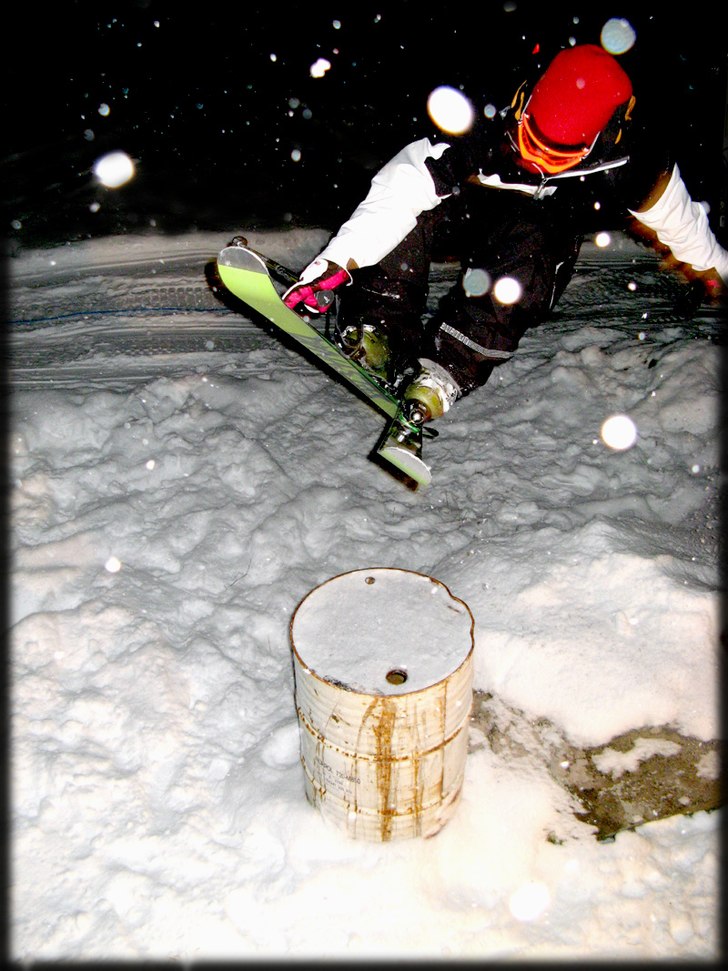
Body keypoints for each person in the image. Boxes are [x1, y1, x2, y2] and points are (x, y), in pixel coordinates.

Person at [283, 43, 728, 425]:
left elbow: (684, 225)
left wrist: (717, 272)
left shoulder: (634, 160)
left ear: (593, 143)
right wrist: (337, 262)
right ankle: (376, 326)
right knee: (410, 213)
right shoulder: (484, 115)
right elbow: (401, 188)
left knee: (534, 252)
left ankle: (447, 370)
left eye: (553, 155)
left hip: (537, 231)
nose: (532, 158)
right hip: (468, 211)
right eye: (529, 139)